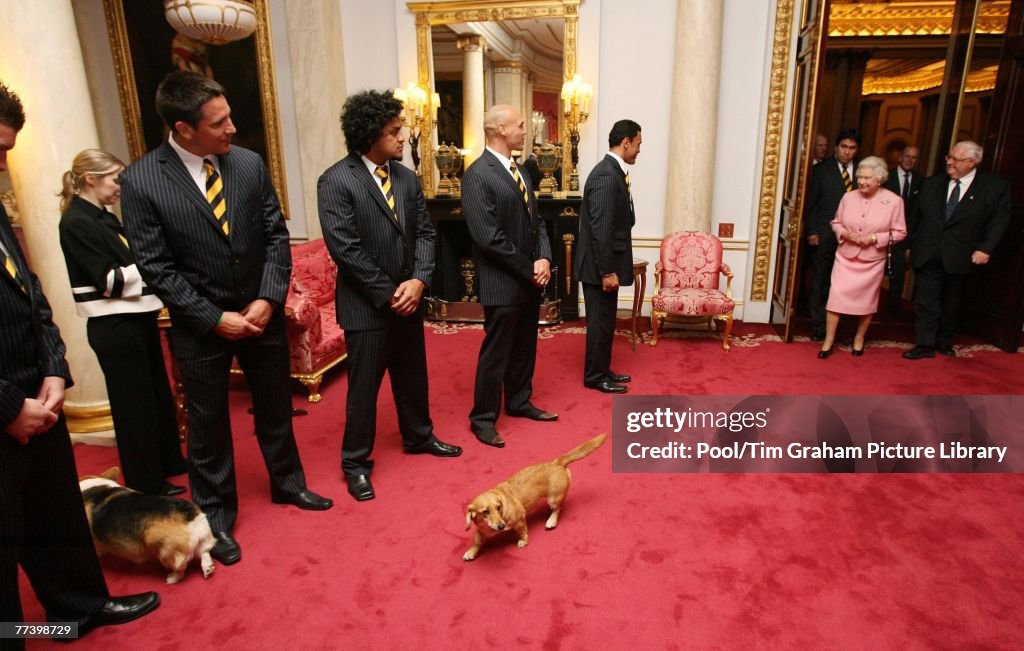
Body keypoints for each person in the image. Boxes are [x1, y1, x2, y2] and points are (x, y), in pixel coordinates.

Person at [119, 71, 332, 567]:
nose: (232, 128)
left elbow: (276, 237)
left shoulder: (248, 164)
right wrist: (214, 316)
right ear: (183, 128)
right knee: (209, 424)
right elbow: (156, 268)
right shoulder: (143, 180)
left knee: (276, 406)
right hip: (202, 328)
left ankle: (289, 484)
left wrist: (267, 297)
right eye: (219, 122)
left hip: (261, 315)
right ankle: (214, 513)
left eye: (231, 116)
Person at [0, 80, 159, 647]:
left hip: (36, 396)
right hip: (4, 409)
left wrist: (52, 371)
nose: (2, 165)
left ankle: (78, 611)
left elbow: (34, 299)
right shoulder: (78, 221)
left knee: (57, 518)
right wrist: (7, 406)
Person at [317, 90, 462, 502]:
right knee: (364, 389)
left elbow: (426, 234)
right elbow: (345, 249)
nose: (402, 138)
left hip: (409, 299)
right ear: (369, 135)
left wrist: (418, 280)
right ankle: (355, 463)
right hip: (367, 306)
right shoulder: (336, 180)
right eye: (394, 132)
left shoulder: (405, 177)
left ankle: (419, 436)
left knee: (413, 377)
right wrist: (389, 293)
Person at [57, 149, 188, 497]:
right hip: (114, 327)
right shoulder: (76, 222)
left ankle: (169, 463)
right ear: (91, 179)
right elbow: (110, 281)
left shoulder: (101, 216)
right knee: (134, 408)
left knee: (156, 396)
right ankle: (146, 481)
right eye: (116, 179)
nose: (121, 187)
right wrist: (153, 260)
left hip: (135, 319)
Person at [462, 104, 556, 448]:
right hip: (502, 282)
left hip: (529, 278)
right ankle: (483, 418)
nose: (524, 130)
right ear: (501, 129)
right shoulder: (477, 175)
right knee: (496, 353)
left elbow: (537, 221)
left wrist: (544, 256)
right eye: (519, 125)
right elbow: (488, 237)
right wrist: (528, 268)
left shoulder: (522, 170)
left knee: (524, 347)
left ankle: (518, 401)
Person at [903, 141, 1011, 359]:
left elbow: (999, 221)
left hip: (962, 255)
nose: (950, 162)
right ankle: (925, 345)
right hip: (928, 251)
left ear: (972, 163)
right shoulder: (932, 183)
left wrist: (986, 248)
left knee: (952, 303)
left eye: (956, 159)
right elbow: (915, 216)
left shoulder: (994, 187)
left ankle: (943, 341)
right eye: (948, 157)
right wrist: (909, 245)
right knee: (926, 301)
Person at [576, 119, 642, 394]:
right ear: (625, 142)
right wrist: (606, 271)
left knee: (605, 322)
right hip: (598, 266)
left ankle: (602, 369)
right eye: (638, 144)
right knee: (600, 323)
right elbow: (600, 229)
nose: (639, 150)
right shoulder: (606, 175)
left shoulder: (614, 171)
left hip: (603, 264)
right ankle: (594, 376)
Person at [817, 156, 906, 358]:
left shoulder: (894, 202)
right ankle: (828, 340)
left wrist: (874, 238)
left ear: (880, 178)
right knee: (835, 298)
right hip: (846, 257)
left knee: (867, 302)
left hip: (872, 261)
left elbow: (900, 233)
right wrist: (845, 233)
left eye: (868, 178)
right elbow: (836, 222)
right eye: (860, 177)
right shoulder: (848, 197)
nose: (862, 182)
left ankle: (859, 338)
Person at [804, 128, 860, 341]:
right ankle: (819, 325)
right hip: (825, 234)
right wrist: (812, 230)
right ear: (836, 147)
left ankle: (842, 326)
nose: (847, 152)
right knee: (821, 280)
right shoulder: (821, 170)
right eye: (844, 147)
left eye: (852, 148)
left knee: (845, 283)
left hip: (853, 237)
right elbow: (812, 203)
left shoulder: (863, 171)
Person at [881, 145, 923, 314]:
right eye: (907, 156)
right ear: (900, 157)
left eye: (913, 157)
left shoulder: (921, 181)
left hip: (904, 236)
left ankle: (891, 311)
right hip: (882, 232)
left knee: (897, 276)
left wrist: (911, 242)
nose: (909, 160)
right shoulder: (886, 177)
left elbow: (917, 213)